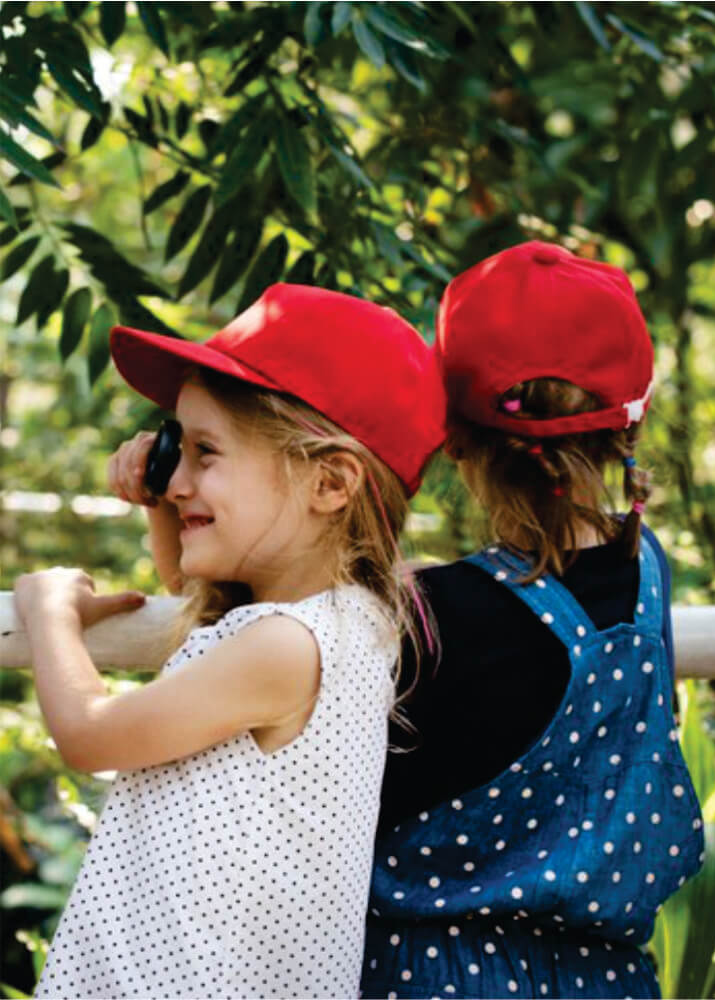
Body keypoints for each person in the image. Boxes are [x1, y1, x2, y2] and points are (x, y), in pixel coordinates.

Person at [15, 283, 446, 1000]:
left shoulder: (286, 647)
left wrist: (49, 613)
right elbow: (202, 607)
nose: (178, 478)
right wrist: (167, 502)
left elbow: (91, 735)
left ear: (330, 484)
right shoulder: (341, 623)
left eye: (205, 452)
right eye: (174, 450)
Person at [360, 241, 705, 1000]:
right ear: (629, 425)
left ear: (453, 436)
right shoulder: (647, 570)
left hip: (432, 978)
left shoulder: (434, 615)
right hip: (609, 980)